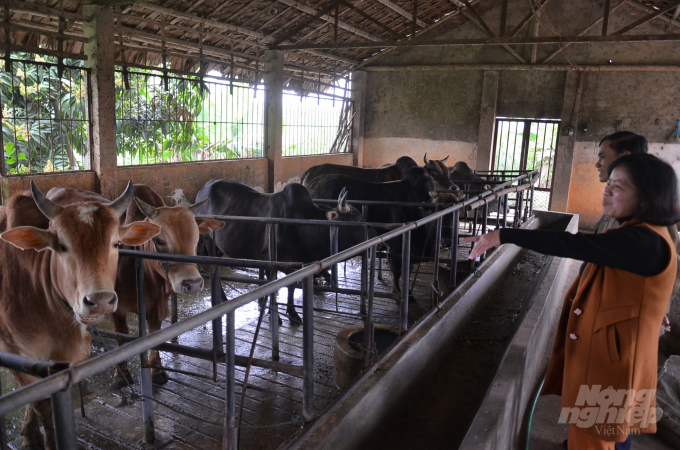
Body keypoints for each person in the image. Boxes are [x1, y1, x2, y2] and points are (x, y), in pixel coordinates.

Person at [463, 153, 680, 450]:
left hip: (611, 370)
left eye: (618, 186)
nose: (607, 190)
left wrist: (503, 235)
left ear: (646, 198)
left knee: (593, 442)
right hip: (619, 360)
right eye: (609, 183)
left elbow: (571, 243)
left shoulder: (642, 241)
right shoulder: (642, 235)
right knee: (609, 438)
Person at [594, 132, 648, 234]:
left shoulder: (647, 208)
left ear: (625, 157)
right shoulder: (617, 199)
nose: (597, 164)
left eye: (602, 157)